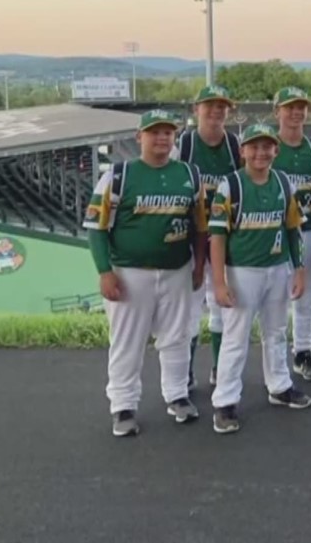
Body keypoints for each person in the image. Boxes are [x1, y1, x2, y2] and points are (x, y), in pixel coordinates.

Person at [84, 110, 206, 436]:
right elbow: (96, 228)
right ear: (140, 137)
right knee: (127, 342)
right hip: (129, 273)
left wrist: (200, 264)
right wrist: (104, 271)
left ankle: (177, 395)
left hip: (177, 269)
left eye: (168, 132)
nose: (163, 138)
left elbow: (200, 228)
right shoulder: (118, 175)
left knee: (178, 337)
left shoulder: (190, 175)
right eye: (155, 132)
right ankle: (123, 406)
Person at [209, 123, 311, 434]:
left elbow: (293, 230)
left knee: (277, 332)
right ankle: (225, 402)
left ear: (275, 151)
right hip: (242, 271)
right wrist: (219, 281)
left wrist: (298, 269)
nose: (260, 153)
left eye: (266, 147)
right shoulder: (230, 186)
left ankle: (279, 385)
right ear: (242, 151)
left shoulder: (283, 183)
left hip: (277, 267)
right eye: (254, 147)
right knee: (235, 338)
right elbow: (216, 237)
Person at [173, 84, 243, 389]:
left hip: (224, 238)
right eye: (209, 105)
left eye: (222, 106)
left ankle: (218, 367)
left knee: (221, 307)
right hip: (189, 238)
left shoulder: (234, 144)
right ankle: (185, 374)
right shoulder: (184, 145)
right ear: (196, 109)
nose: (216, 111)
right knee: (188, 312)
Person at [272, 86, 311, 381]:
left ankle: (303, 353)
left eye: (301, 107)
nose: (296, 112)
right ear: (277, 112)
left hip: (309, 230)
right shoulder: (265, 147)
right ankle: (274, 361)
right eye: (289, 107)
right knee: (274, 299)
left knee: (306, 297)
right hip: (272, 235)